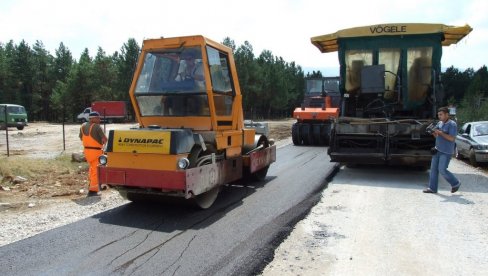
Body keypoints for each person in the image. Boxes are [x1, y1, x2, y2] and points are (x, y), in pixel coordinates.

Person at [423, 107, 461, 194]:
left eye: (441, 115)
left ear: (447, 114)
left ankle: (456, 183)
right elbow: (437, 136)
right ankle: (432, 188)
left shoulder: (452, 124)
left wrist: (440, 132)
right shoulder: (440, 123)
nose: (439, 116)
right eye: (438, 115)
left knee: (442, 170)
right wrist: (432, 132)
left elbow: (451, 138)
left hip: (446, 152)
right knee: (433, 170)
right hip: (437, 149)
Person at [79, 111, 107, 197]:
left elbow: (81, 137)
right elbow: (105, 139)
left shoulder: (83, 126)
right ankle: (93, 190)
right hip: (96, 152)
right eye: (98, 118)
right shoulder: (97, 127)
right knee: (96, 170)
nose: (99, 120)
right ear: (93, 118)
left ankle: (93, 185)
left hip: (87, 152)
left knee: (92, 169)